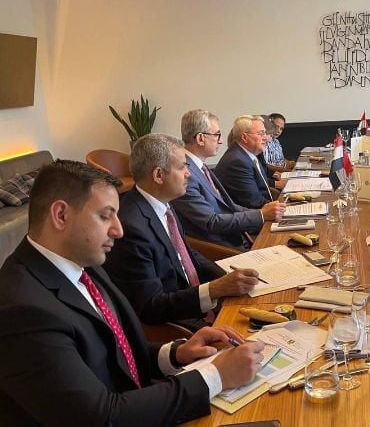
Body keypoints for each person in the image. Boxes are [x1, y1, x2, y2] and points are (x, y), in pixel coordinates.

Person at [0, 159, 264, 426]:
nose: (119, 230)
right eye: (105, 216)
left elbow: (116, 353)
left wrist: (177, 353)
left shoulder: (82, 261)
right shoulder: (21, 310)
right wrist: (216, 377)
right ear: (61, 215)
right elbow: (99, 417)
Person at [104, 134, 262, 329]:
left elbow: (187, 254)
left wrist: (225, 276)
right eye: (182, 167)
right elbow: (150, 308)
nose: (189, 173)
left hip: (197, 302)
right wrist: (214, 289)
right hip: (180, 324)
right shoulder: (130, 228)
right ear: (158, 175)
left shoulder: (163, 202)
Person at [172, 109, 285, 249]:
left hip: (237, 236)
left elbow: (228, 205)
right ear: (200, 138)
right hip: (223, 248)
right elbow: (211, 222)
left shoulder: (199, 166)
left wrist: (263, 213)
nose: (221, 141)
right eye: (217, 135)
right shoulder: (185, 174)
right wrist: (261, 214)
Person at [214, 115, 286, 209]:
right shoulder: (237, 162)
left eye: (265, 133)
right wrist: (286, 208)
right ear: (245, 137)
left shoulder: (248, 154)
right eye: (261, 133)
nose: (265, 138)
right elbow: (255, 203)